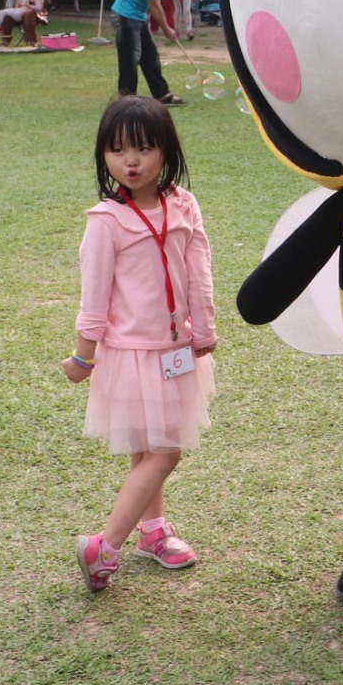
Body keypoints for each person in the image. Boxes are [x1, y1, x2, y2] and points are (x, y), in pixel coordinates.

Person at [67, 96, 219, 590]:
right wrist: (81, 357)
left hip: (177, 350)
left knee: (150, 447)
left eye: (143, 149)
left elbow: (199, 271)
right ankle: (104, 546)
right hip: (132, 355)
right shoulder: (105, 220)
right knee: (165, 450)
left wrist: (205, 328)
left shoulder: (183, 204)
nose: (130, 162)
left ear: (166, 151)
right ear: (103, 156)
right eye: (117, 150)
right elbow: (94, 300)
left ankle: (153, 532)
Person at [110, 0, 187, 104]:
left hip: (137, 15)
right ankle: (126, 97)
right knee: (130, 57)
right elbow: (155, 5)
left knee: (149, 55)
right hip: (126, 15)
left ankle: (161, 94)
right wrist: (167, 29)